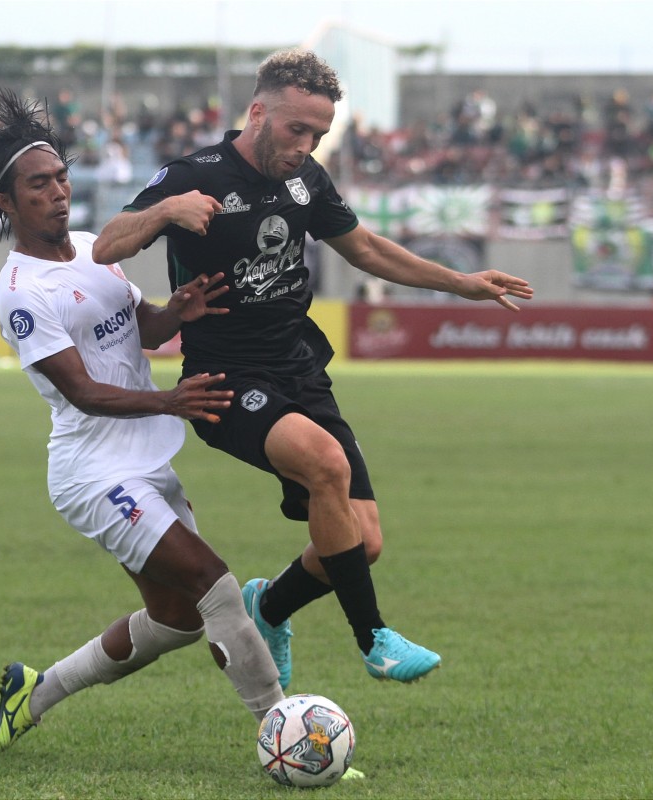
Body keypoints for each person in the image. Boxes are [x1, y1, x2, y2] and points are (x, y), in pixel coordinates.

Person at [93, 48, 534, 688]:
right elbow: (107, 243)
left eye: (318, 135)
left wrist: (460, 283)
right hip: (224, 381)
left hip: (299, 371)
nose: (304, 145)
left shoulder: (307, 181)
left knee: (362, 543)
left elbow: (367, 249)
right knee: (326, 465)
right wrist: (164, 211)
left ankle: (267, 607)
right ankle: (374, 638)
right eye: (296, 129)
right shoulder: (198, 174)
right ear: (258, 111)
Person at [0, 88, 284, 755]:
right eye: (37, 185)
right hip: (94, 471)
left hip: (143, 455)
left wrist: (179, 311)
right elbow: (82, 392)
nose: (57, 192)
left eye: (60, 178)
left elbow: (142, 328)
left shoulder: (91, 248)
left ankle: (36, 690)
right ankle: (284, 729)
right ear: (7, 203)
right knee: (211, 581)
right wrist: (171, 400)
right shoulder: (23, 294)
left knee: (177, 621)